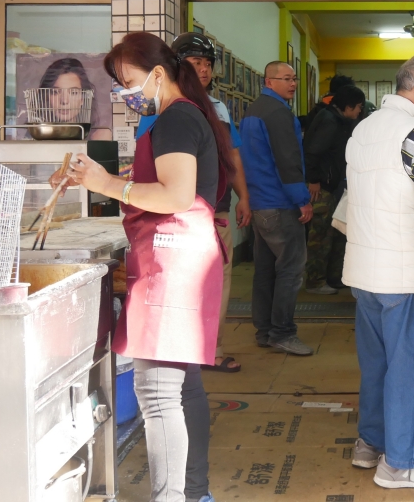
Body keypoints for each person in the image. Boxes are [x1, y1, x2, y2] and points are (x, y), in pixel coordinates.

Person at [55, 32, 232, 502]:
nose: (125, 95)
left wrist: (108, 183)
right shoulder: (179, 117)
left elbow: (175, 195)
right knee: (181, 387)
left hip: (173, 265)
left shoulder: (175, 119)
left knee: (157, 394)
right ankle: (194, 493)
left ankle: (174, 497)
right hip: (182, 261)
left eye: (128, 84)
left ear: (158, 74)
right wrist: (99, 175)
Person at [342, 53, 414, 490]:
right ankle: (404, 464)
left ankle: (370, 444)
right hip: (404, 275)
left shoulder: (364, 129)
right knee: (412, 371)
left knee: (377, 365)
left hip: (364, 271)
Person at [171, 32, 251, 373]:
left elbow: (231, 154)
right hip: (180, 215)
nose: (203, 70)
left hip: (216, 211)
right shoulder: (163, 106)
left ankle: (212, 348)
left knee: (220, 279)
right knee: (183, 282)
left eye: (207, 64)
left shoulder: (217, 108)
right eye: (195, 63)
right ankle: (180, 347)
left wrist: (244, 196)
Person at [240, 61, 314, 356]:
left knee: (265, 270)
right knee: (290, 271)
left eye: (294, 78)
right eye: (285, 79)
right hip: (280, 204)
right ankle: (283, 333)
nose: (292, 83)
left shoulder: (253, 111)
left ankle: (264, 331)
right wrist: (302, 198)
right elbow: (287, 160)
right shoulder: (277, 113)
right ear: (268, 81)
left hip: (260, 204)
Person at [303, 84, 366, 294]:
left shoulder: (339, 120)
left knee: (336, 233)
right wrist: (313, 180)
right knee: (320, 236)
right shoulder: (329, 121)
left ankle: (333, 277)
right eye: (358, 107)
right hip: (322, 188)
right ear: (347, 106)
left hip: (335, 187)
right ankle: (314, 281)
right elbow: (312, 152)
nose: (359, 112)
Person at [35, 57, 108, 139]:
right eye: (55, 92)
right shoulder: (35, 135)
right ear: (47, 97)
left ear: (83, 99)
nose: (64, 101)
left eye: (73, 92)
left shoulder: (98, 136)